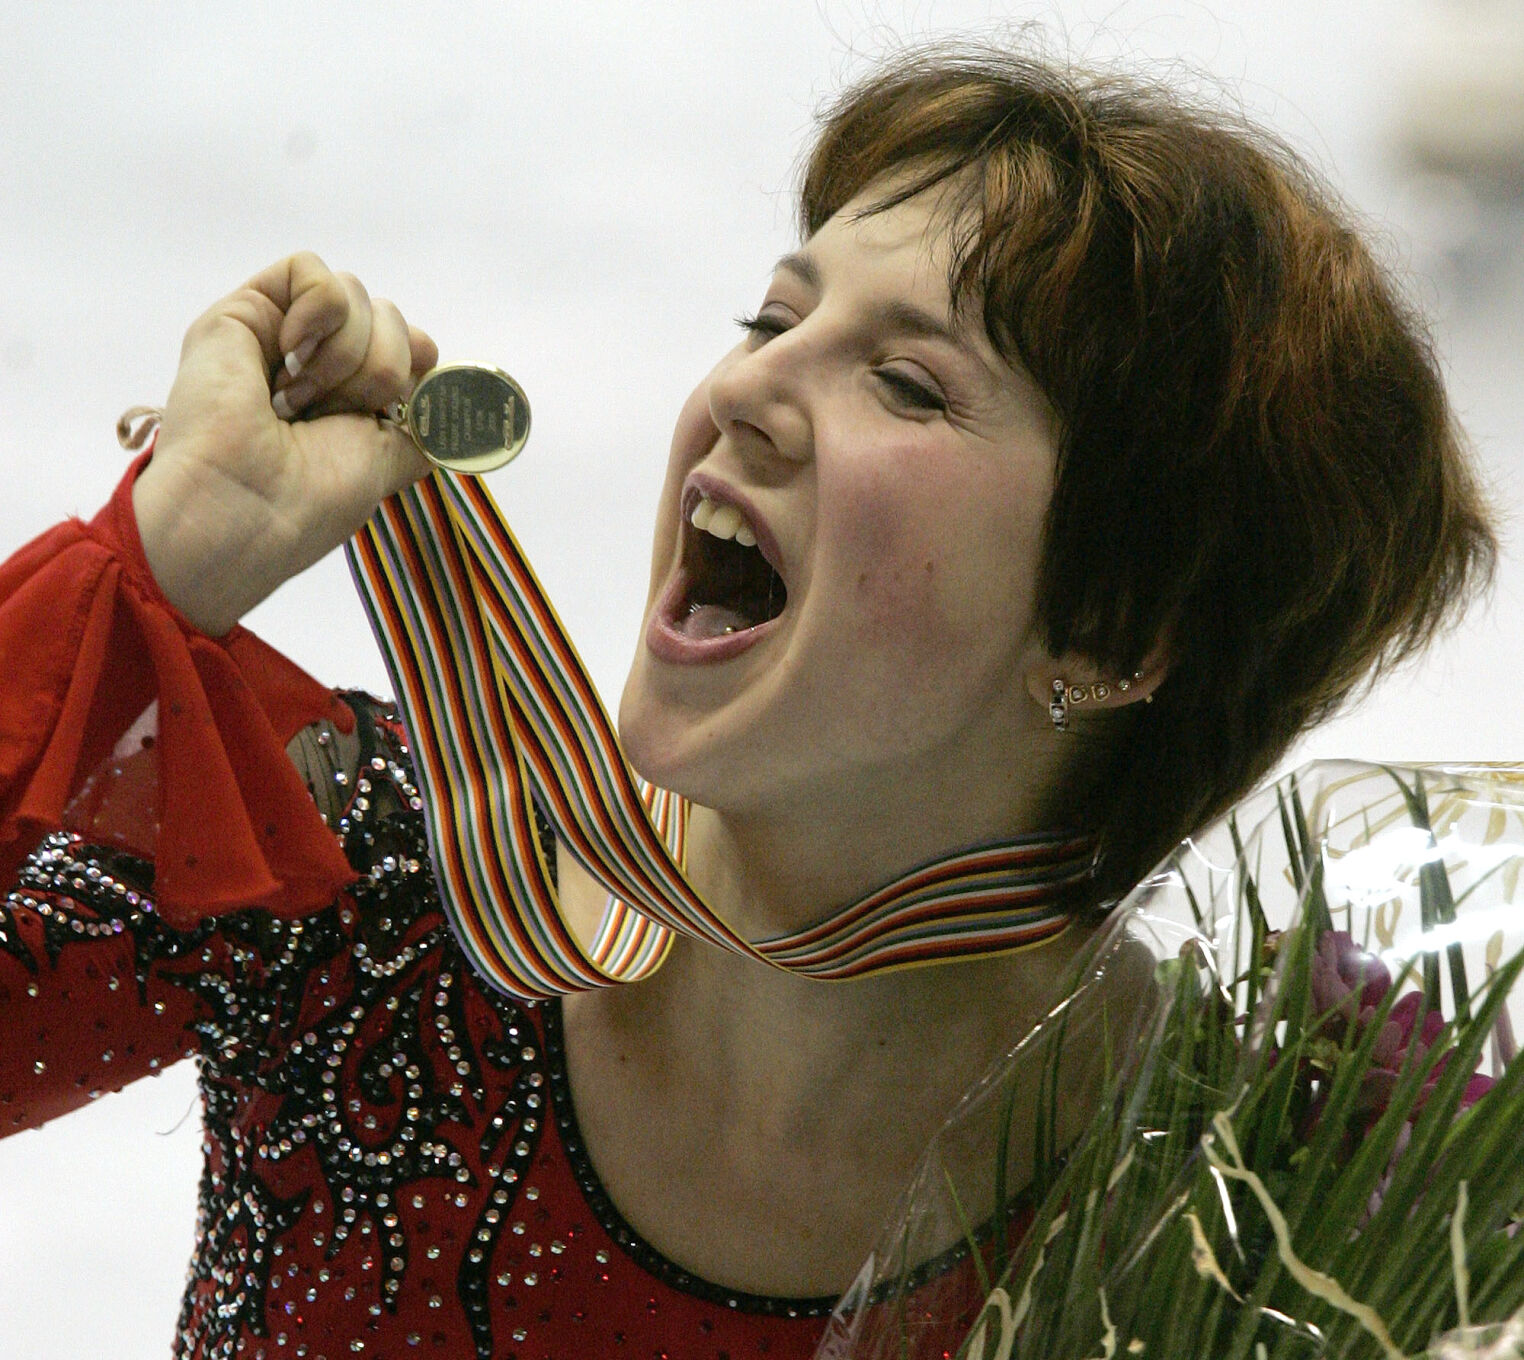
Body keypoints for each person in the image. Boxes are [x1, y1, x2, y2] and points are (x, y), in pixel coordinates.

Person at [0, 44, 1495, 1360]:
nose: (747, 391)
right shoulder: (370, 860)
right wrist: (153, 570)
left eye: (908, 384)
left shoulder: (1287, 1181)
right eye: (773, 320)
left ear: (1122, 626)